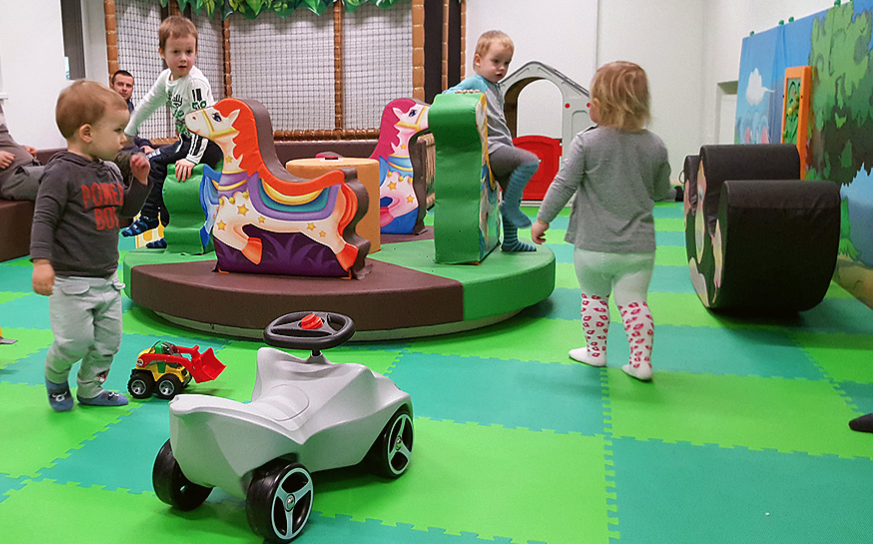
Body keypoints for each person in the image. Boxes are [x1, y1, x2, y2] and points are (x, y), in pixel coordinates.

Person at [531, 61, 670, 382]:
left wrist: (542, 220)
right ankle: (640, 361)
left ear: (599, 106)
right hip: (638, 248)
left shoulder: (586, 142)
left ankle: (596, 352)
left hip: (591, 245)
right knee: (634, 303)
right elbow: (662, 191)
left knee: (593, 298)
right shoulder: (655, 145)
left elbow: (563, 184)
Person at [30, 80, 151, 411]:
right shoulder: (60, 173)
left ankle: (89, 389)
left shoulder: (109, 170)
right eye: (117, 130)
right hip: (71, 282)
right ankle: (56, 377)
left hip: (107, 279)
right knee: (74, 343)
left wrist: (140, 182)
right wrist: (41, 261)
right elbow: (44, 218)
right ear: (87, 133)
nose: (124, 139)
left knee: (108, 342)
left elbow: (125, 210)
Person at [121, 15, 222, 248]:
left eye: (189, 51)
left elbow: (204, 124)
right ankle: (171, 233)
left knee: (156, 162)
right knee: (160, 167)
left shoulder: (195, 83)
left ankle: (149, 217)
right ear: (162, 53)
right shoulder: (166, 78)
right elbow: (148, 103)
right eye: (176, 52)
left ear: (196, 51)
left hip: (207, 142)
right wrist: (129, 130)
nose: (183, 58)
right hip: (188, 140)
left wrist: (192, 158)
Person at [445, 30, 539, 252]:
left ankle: (511, 241)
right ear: (478, 61)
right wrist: (461, 94)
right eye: (496, 61)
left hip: (503, 146)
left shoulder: (497, 87)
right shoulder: (477, 82)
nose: (501, 68)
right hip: (493, 149)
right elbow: (446, 95)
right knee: (530, 161)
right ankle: (510, 209)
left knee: (514, 194)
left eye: (506, 63)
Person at [0, 102, 44, 201]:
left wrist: (20, 149)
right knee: (61, 179)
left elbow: (4, 138)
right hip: (11, 176)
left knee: (69, 172)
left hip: (29, 168)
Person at [109, 69, 154, 153]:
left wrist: (144, 144)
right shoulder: (104, 108)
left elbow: (132, 138)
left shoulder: (130, 107)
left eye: (128, 86)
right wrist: (141, 151)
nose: (124, 89)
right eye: (120, 84)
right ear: (112, 86)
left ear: (132, 89)